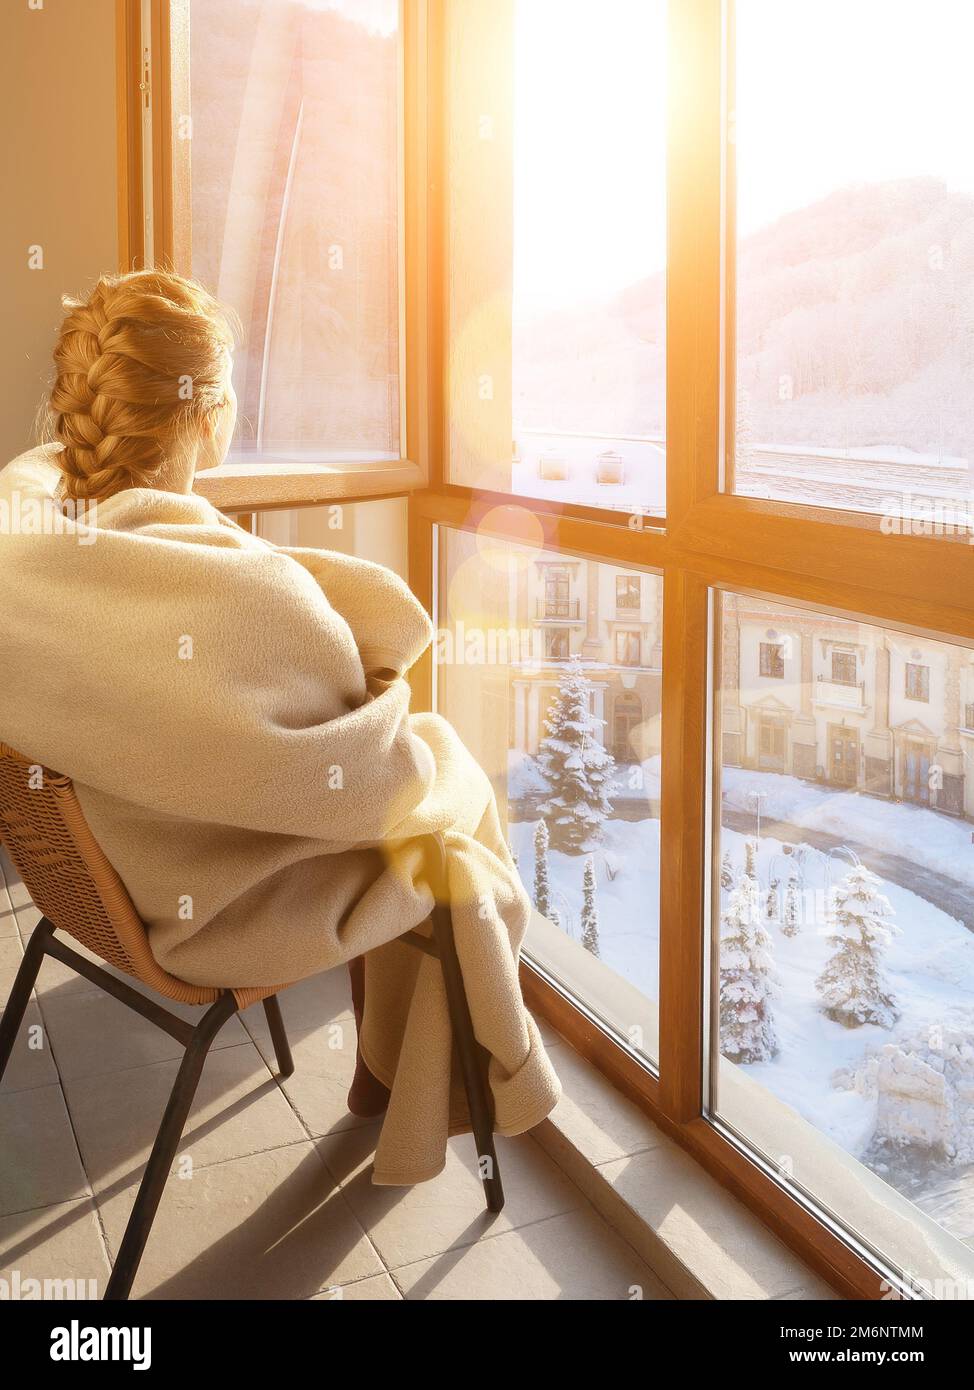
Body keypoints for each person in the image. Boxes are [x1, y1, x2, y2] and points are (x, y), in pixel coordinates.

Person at [0, 269, 559, 1180]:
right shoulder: (251, 604)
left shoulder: (25, 528)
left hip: (96, 873)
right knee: (447, 827)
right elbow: (367, 786)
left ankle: (397, 1076)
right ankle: (439, 1083)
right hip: (199, 907)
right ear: (207, 415)